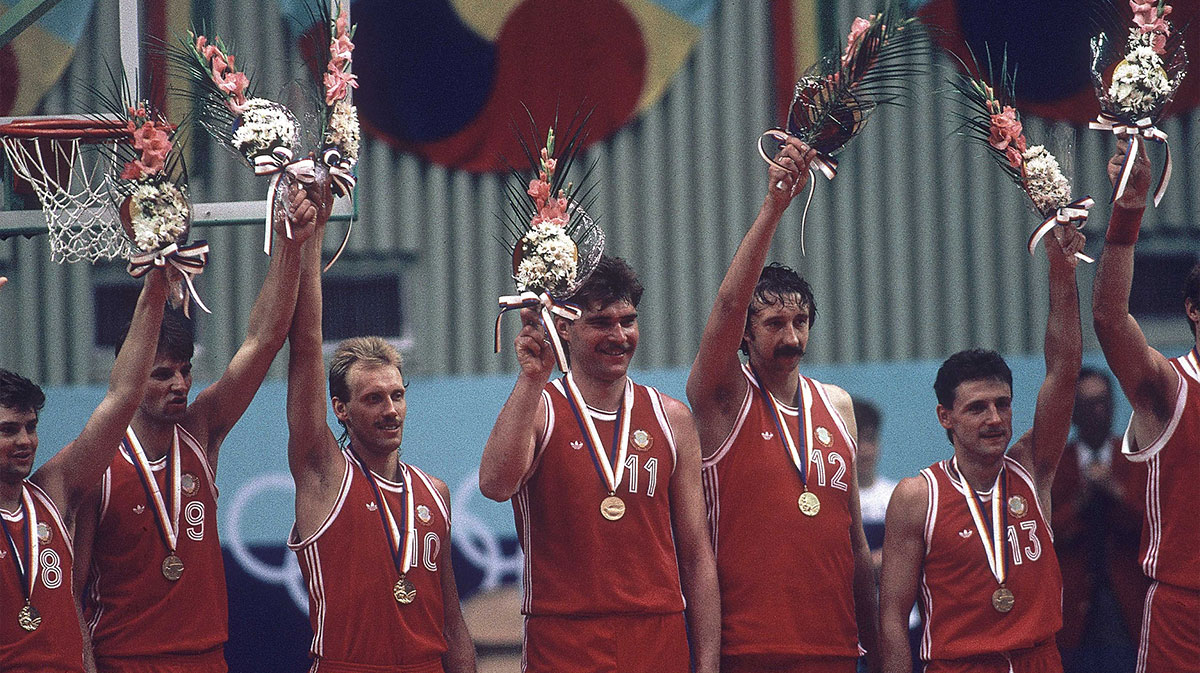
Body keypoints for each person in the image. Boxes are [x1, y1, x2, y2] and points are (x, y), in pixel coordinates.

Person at [72, 186, 326, 673]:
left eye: (185, 370)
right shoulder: (95, 462)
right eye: (162, 374)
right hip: (124, 661)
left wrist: (291, 243)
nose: (180, 384)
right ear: (130, 376)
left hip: (208, 659)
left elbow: (263, 340)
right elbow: (72, 592)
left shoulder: (201, 429)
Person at [685, 136, 878, 673]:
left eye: (800, 322)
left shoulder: (837, 407)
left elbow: (857, 548)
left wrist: (882, 653)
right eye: (773, 324)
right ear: (745, 337)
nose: (791, 337)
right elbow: (727, 303)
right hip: (748, 651)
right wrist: (774, 208)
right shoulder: (721, 400)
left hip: (837, 649)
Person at [479, 256, 719, 673]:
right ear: (565, 327)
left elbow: (696, 555)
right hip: (564, 642)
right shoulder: (539, 409)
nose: (620, 335)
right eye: (602, 322)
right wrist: (531, 378)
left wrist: (709, 663)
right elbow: (494, 485)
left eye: (628, 320)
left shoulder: (672, 419)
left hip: (657, 640)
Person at [285, 187, 476, 673]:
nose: (390, 409)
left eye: (397, 395)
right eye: (372, 398)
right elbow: (306, 347)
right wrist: (312, 242)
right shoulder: (323, 473)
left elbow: (452, 624)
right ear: (340, 409)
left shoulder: (433, 493)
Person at [879, 223, 1085, 673]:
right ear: (945, 417)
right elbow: (893, 616)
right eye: (976, 408)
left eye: (1002, 404)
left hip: (1040, 660)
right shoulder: (918, 497)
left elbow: (1064, 369)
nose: (994, 419)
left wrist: (1062, 271)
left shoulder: (1034, 466)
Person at [2, 269, 167, 672]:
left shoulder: (53, 492)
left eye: (31, 427)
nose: (25, 441)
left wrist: (157, 286)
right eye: (8, 430)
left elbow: (123, 397)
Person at [1091, 140, 1199, 673]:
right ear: (1193, 311)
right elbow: (1111, 320)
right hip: (1185, 614)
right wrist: (1128, 209)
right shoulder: (1170, 386)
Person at [1052, 368, 1146, 673]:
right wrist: (1080, 500)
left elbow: (1152, 527)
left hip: (1126, 605)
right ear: (1073, 411)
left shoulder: (1136, 459)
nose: (1098, 411)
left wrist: (1115, 490)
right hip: (1072, 610)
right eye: (1088, 403)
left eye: (1104, 402)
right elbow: (1043, 534)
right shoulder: (1055, 466)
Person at [855, 399, 897, 574]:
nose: (864, 449)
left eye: (870, 439)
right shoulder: (833, 499)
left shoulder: (895, 495)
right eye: (857, 440)